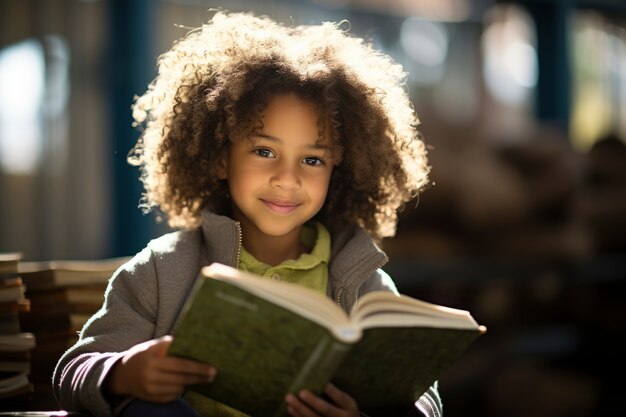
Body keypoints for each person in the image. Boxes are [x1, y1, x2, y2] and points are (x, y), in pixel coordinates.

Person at [53, 11, 440, 417]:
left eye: (312, 159)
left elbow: (422, 394)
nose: (286, 179)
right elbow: (74, 370)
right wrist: (122, 374)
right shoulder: (160, 271)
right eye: (264, 151)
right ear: (221, 158)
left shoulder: (363, 279)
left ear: (338, 168)